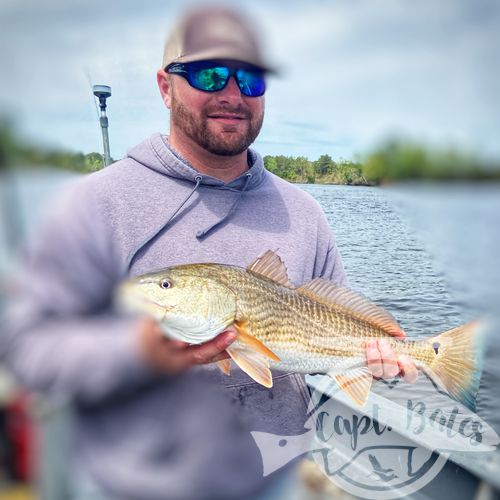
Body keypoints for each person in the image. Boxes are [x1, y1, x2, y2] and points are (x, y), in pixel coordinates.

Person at [1, 6, 416, 500]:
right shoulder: (95, 203)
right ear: (165, 86)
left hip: (274, 479)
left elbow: (330, 327)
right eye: (209, 73)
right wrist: (139, 352)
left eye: (251, 78)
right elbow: (29, 349)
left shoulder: (305, 212)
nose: (233, 94)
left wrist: (377, 357)